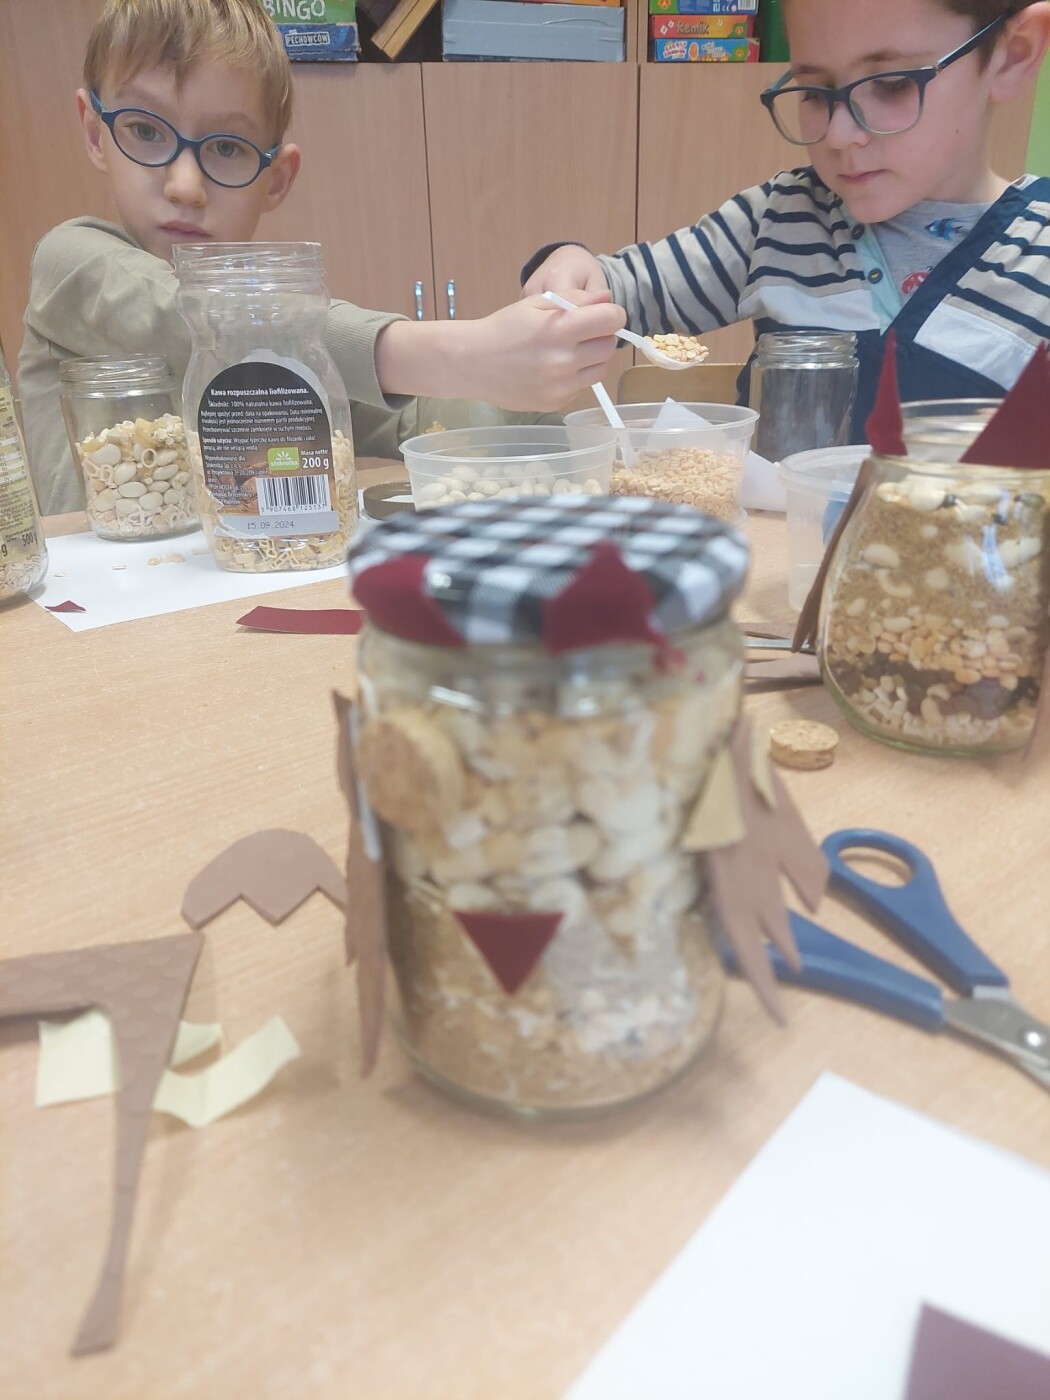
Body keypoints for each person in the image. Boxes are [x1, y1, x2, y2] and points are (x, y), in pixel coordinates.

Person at [20, 0, 625, 515]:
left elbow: (413, 419)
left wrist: (548, 405)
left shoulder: (286, 325)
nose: (185, 185)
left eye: (226, 147)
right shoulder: (69, 263)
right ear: (95, 132)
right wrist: (466, 353)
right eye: (146, 131)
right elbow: (190, 316)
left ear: (278, 178)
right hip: (85, 609)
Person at [524, 0, 1050, 440]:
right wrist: (571, 269)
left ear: (1013, 56)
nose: (839, 135)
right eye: (815, 93)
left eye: (891, 84)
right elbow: (622, 294)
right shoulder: (778, 219)